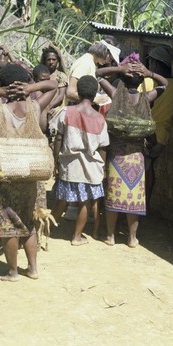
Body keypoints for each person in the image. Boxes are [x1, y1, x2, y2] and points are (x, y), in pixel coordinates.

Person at [0, 63, 58, 281]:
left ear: (3, 84)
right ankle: (33, 269)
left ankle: (13, 271)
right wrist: (30, 88)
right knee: (28, 221)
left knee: (8, 223)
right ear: (25, 84)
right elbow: (54, 85)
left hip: (5, 174)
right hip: (31, 173)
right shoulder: (35, 107)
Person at [98, 53, 168, 248]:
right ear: (141, 82)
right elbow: (164, 85)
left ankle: (110, 236)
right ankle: (131, 238)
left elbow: (98, 74)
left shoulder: (115, 95)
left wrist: (119, 69)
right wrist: (149, 73)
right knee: (134, 199)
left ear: (123, 78)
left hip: (116, 155)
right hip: (137, 156)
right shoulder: (147, 97)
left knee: (113, 194)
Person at [50, 75, 110, 245]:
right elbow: (103, 147)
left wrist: (56, 161)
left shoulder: (66, 112)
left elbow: (59, 139)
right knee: (85, 202)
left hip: (70, 164)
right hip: (91, 166)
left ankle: (47, 230)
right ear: (94, 95)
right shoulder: (100, 119)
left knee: (62, 200)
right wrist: (103, 168)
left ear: (78, 92)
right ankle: (77, 237)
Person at [143, 46, 173, 206]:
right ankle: (146, 205)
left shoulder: (148, 82)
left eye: (149, 62)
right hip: (162, 137)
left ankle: (137, 207)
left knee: (142, 171)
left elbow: (141, 106)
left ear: (155, 63)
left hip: (146, 134)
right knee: (149, 168)